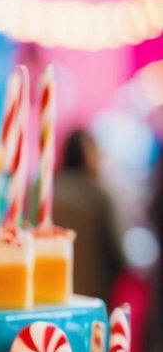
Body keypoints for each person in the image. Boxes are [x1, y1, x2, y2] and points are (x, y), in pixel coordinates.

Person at [53, 127, 125, 302]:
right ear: (89, 155)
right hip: (94, 295)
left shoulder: (48, 192)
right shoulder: (100, 195)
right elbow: (119, 252)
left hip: (53, 295)